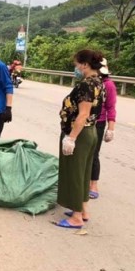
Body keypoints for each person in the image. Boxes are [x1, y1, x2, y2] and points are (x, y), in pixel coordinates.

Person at [56, 49, 105, 229]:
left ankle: (76, 218)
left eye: (77, 64)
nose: (76, 67)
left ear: (84, 64)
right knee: (84, 173)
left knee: (75, 173)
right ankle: (83, 210)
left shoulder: (86, 85)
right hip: (90, 132)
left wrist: (71, 138)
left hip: (80, 132)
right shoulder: (98, 82)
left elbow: (83, 114)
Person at [89, 58, 117, 199]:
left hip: (98, 123)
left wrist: (110, 129)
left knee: (94, 154)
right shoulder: (89, 82)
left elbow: (111, 108)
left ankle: (93, 184)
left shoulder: (108, 85)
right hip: (85, 122)